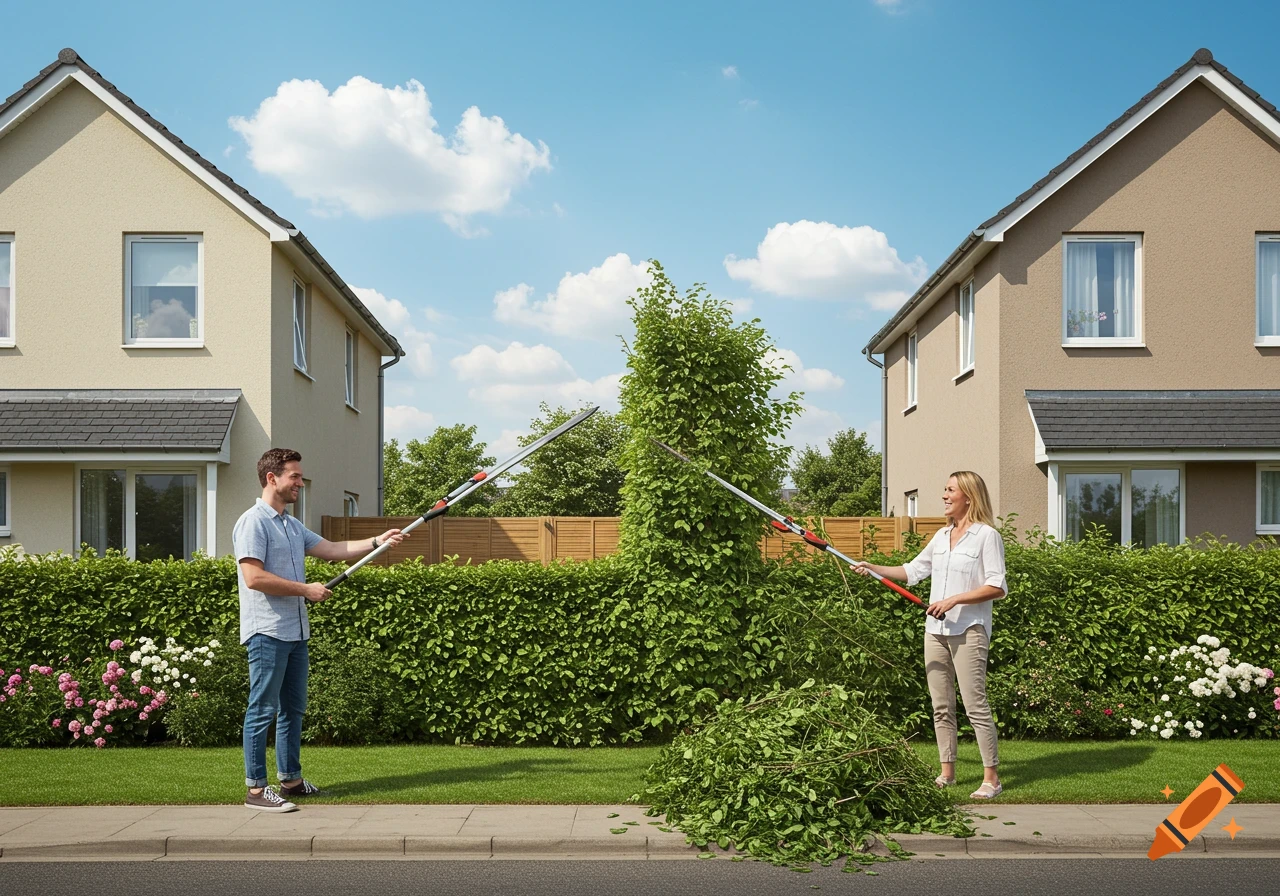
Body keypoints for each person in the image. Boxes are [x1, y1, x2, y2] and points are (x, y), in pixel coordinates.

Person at [233, 448, 407, 813]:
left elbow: (331, 549)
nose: (300, 482)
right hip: (267, 631)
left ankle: (291, 781)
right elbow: (254, 578)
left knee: (292, 710)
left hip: (295, 632)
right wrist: (306, 589)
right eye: (294, 476)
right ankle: (254, 790)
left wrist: (378, 541)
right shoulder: (254, 522)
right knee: (262, 709)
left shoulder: (290, 524)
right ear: (272, 478)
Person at [853, 471, 1008, 800]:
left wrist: (953, 599)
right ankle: (947, 773)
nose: (945, 495)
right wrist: (874, 568)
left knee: (974, 704)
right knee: (941, 706)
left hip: (969, 630)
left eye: (951, 490)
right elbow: (912, 571)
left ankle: (991, 778)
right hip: (935, 631)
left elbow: (997, 586)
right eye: (945, 490)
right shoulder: (941, 537)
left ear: (969, 496)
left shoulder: (986, 536)